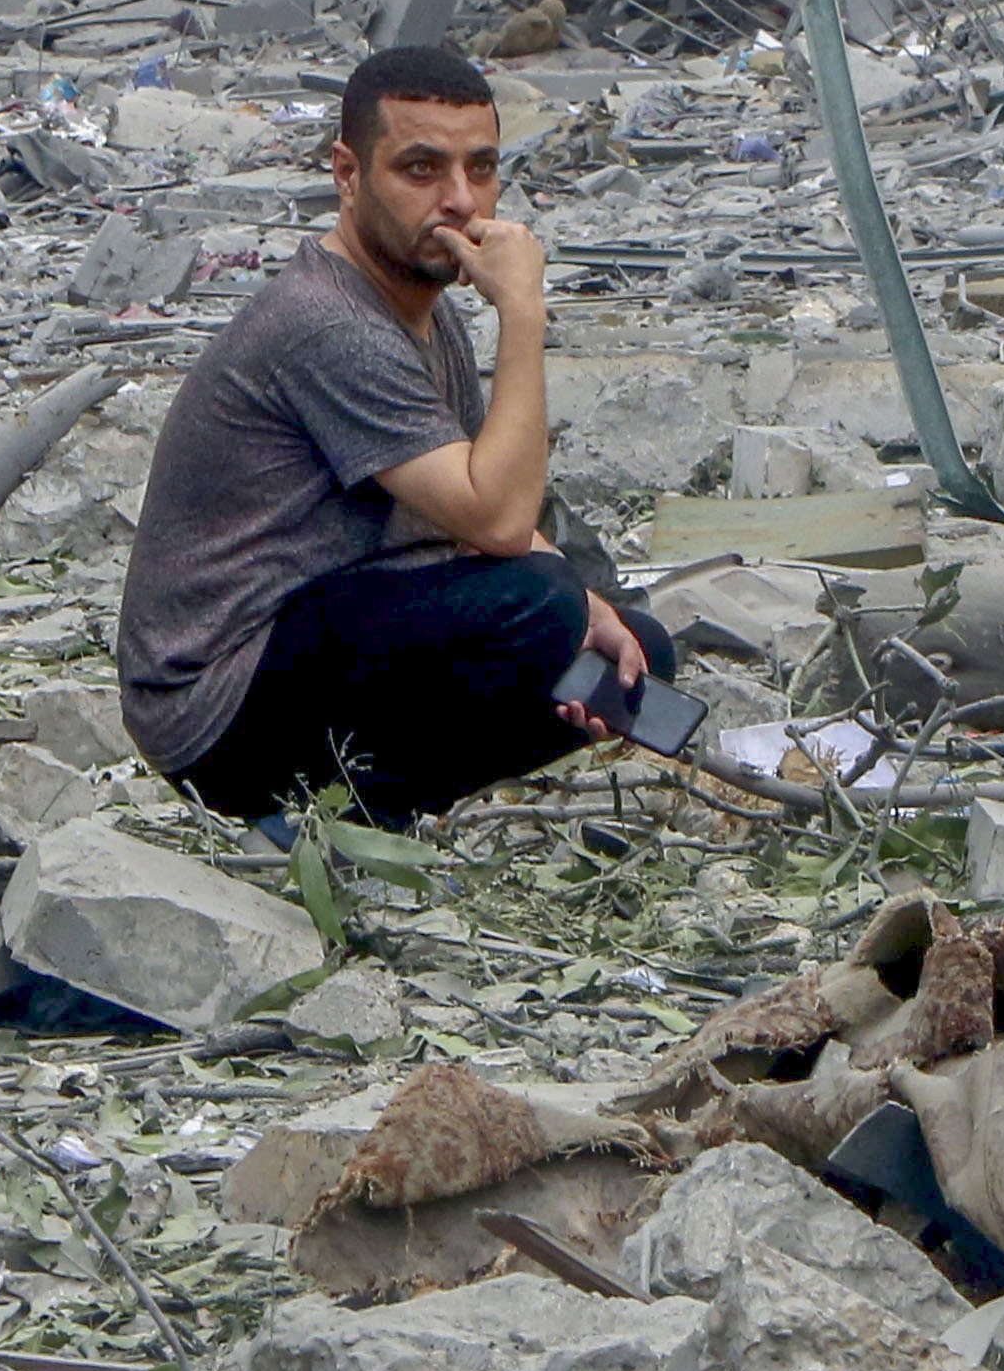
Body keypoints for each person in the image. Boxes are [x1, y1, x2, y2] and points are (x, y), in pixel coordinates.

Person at [118, 40, 676, 829]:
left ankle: (376, 811)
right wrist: (523, 310)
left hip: (337, 627)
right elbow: (497, 520)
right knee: (541, 608)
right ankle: (317, 811)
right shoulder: (329, 324)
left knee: (634, 654)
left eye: (481, 168)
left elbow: (486, 512)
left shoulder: (427, 316)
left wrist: (597, 610)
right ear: (347, 174)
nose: (460, 201)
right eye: (421, 170)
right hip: (217, 702)